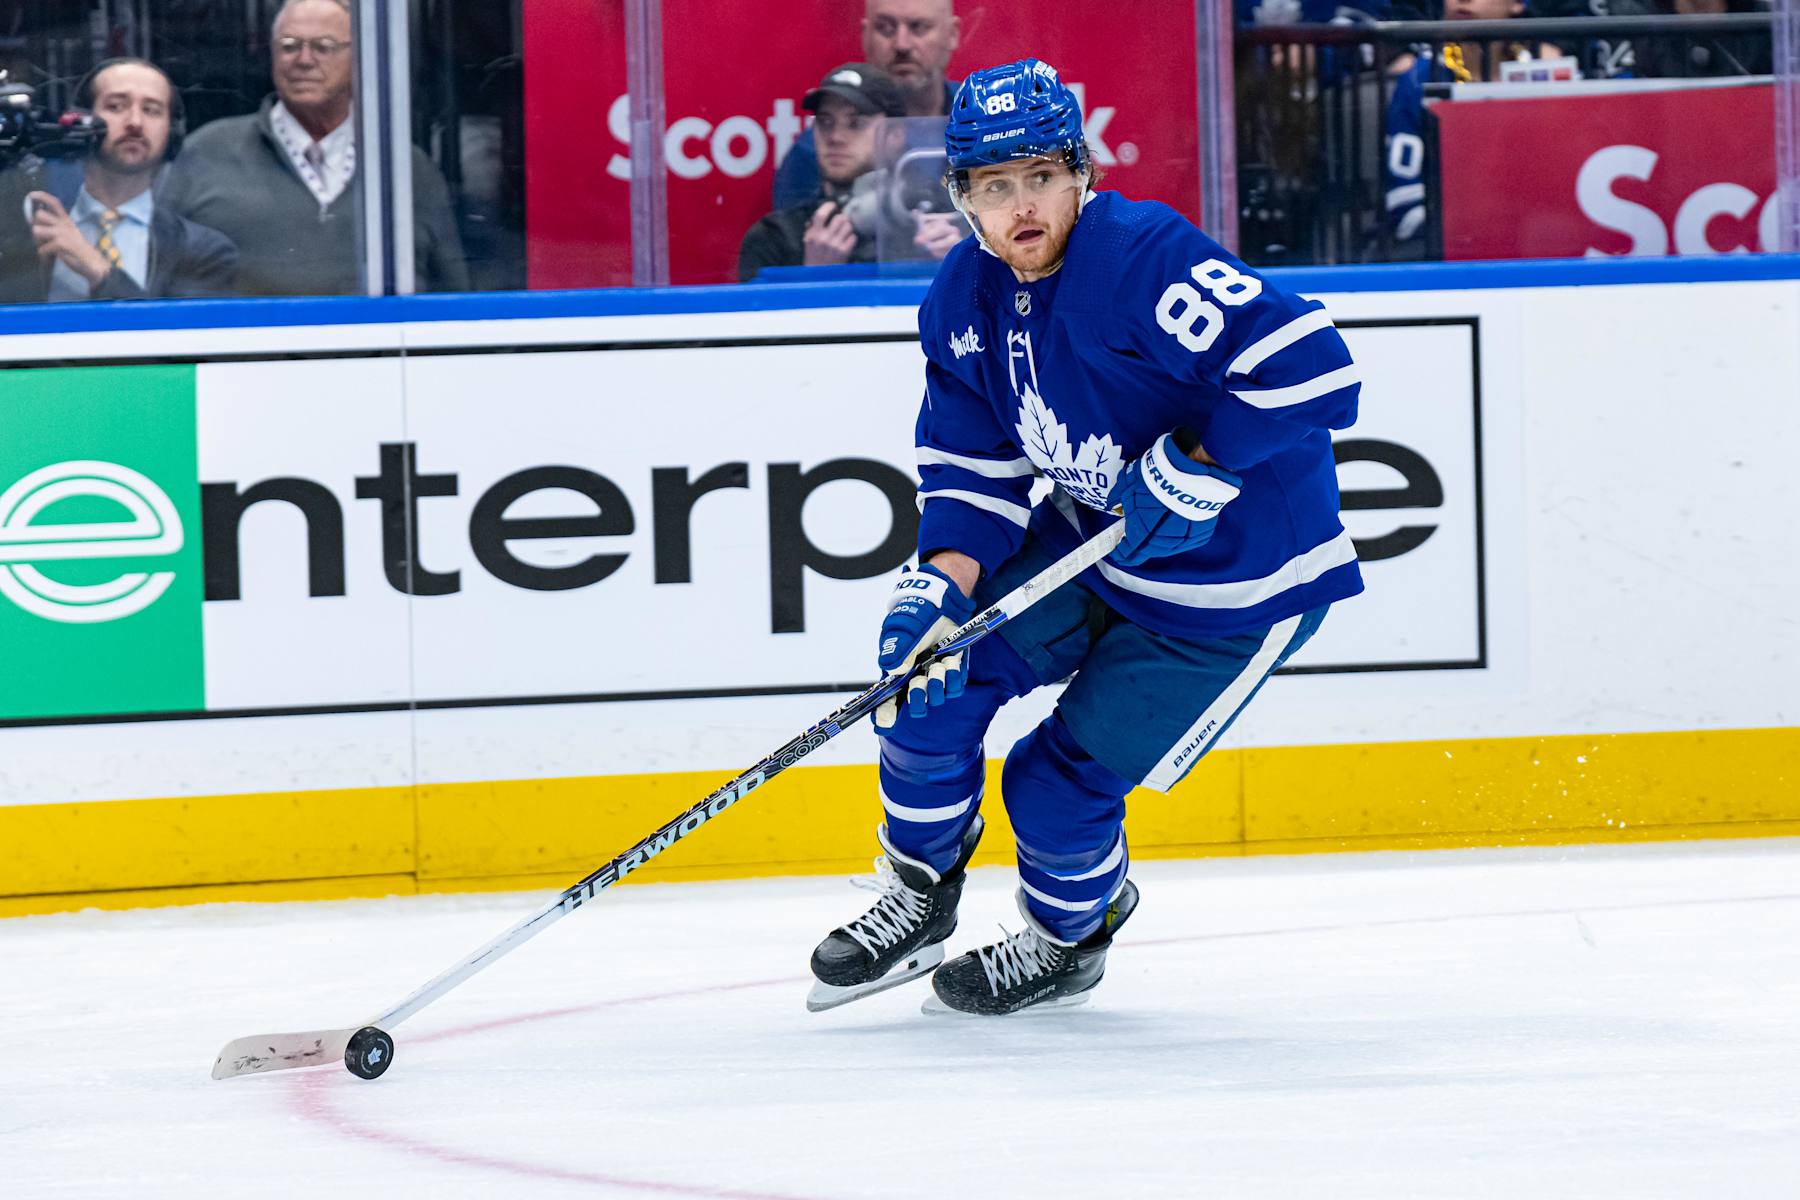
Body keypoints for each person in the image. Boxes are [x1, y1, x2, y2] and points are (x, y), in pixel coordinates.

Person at [807, 60, 1364, 1016]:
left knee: (1056, 788)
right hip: (1095, 547)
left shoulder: (1144, 258)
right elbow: (971, 474)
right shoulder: (962, 301)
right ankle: (919, 894)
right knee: (926, 691)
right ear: (962, 198)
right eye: (993, 186)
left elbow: (1317, 373)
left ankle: (1070, 938)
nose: (1020, 206)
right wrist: (938, 587)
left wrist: (1197, 459)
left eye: (1039, 177)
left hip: (1234, 592)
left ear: (1080, 174)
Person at [159, 0, 467, 296]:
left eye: (324, 47)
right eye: (290, 46)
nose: (304, 60)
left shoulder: (405, 165)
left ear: (358, 59)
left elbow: (456, 302)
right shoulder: (207, 151)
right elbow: (157, 278)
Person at [0, 58, 235, 302]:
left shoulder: (203, 252)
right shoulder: (23, 230)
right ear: (81, 121)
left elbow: (183, 335)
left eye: (151, 110)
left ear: (171, 131)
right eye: (116, 107)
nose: (135, 122)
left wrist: (98, 270)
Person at [772, 0, 964, 265]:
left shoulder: (986, 122)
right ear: (865, 36)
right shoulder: (816, 152)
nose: (902, 44)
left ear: (952, 34)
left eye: (918, 27)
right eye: (885, 28)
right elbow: (789, 249)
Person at [1383, 0, 1559, 243]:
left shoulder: (1548, 75)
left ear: (1517, 4)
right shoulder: (1417, 81)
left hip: (1540, 248)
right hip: (1445, 257)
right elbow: (1403, 204)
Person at [738, 64, 908, 280]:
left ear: (895, 135)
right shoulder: (773, 238)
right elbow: (752, 313)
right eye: (825, 122)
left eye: (855, 123)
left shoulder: (929, 225)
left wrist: (943, 263)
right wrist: (814, 276)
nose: (835, 137)